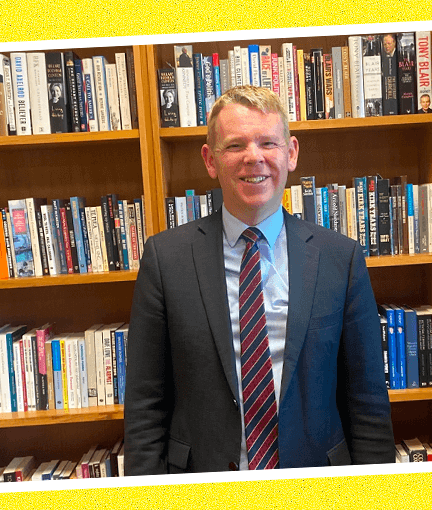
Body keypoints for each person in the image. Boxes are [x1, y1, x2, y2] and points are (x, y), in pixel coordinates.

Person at [124, 85, 394, 475]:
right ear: (211, 160)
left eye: (268, 142)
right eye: (235, 146)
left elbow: (367, 402)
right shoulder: (166, 260)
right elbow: (145, 405)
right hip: (202, 483)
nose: (254, 157)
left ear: (291, 153)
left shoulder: (341, 258)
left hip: (315, 483)